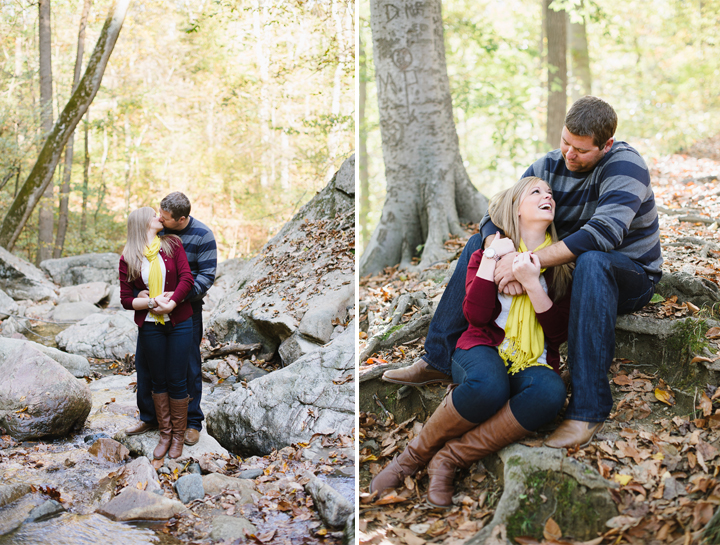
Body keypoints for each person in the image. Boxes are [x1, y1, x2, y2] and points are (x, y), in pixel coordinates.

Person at [383, 96, 663, 449]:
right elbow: (497, 215)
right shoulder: (547, 166)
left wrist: (526, 264)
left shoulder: (625, 165)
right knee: (478, 243)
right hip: (571, 269)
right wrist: (497, 250)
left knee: (593, 260)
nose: (569, 154)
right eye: (565, 142)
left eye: (580, 149)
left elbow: (603, 235)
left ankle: (588, 410)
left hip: (628, 275)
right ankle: (438, 357)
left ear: (605, 146)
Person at [371, 176, 572, 507]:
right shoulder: (487, 252)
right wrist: (493, 257)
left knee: (551, 393)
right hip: (481, 347)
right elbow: (476, 316)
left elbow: (559, 334)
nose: (546, 196)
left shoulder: (561, 265)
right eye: (535, 192)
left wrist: (532, 283)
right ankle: (410, 459)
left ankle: (449, 459)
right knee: (488, 385)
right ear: (515, 209)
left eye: (549, 193)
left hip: (533, 360)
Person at [124, 192, 217, 446]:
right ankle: (150, 417)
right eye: (159, 215)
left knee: (188, 365)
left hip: (186, 309)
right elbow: (137, 269)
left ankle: (192, 422)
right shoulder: (158, 232)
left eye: (165, 218)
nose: (160, 220)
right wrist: (138, 294)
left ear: (182, 218)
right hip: (151, 311)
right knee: (145, 364)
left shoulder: (203, 236)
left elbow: (206, 276)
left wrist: (176, 298)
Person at [119, 207, 195, 460]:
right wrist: (151, 302)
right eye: (154, 214)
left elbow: (187, 278)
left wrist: (172, 302)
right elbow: (126, 299)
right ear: (143, 223)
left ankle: (178, 437)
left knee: (177, 379)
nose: (159, 217)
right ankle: (165, 433)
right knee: (158, 380)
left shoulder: (172, 243)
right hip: (150, 324)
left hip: (179, 321)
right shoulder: (128, 257)